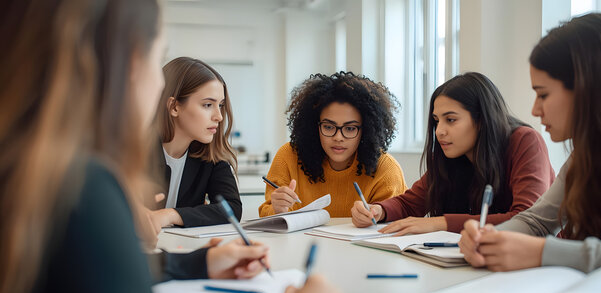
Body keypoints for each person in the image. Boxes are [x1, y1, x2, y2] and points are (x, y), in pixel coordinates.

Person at [0, 0, 344, 293]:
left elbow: (88, 280)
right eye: (156, 55)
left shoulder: (34, 175)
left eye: (219, 106)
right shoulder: (81, 189)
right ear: (130, 64)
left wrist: (195, 263)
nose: (217, 116)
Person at [459, 13, 601, 273]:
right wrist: (488, 237)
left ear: (589, 88)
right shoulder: (589, 152)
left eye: (543, 94)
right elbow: (536, 221)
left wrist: (544, 252)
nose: (535, 110)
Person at [352, 72, 555, 235]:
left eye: (450, 120)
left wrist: (441, 223)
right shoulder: (450, 156)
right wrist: (378, 210)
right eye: (436, 120)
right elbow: (409, 203)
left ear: (482, 119)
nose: (439, 131)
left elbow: (526, 220)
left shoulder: (525, 141)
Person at [258, 72, 407, 217]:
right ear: (315, 126)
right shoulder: (288, 156)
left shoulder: (386, 169)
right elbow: (266, 214)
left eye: (350, 129)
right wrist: (278, 210)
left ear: (366, 130)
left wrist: (375, 217)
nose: (338, 137)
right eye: (329, 127)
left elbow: (395, 223)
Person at [147, 57, 241, 230]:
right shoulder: (134, 149)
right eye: (207, 105)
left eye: (220, 105)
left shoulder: (211, 155)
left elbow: (232, 209)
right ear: (174, 107)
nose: (219, 116)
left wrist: (170, 215)